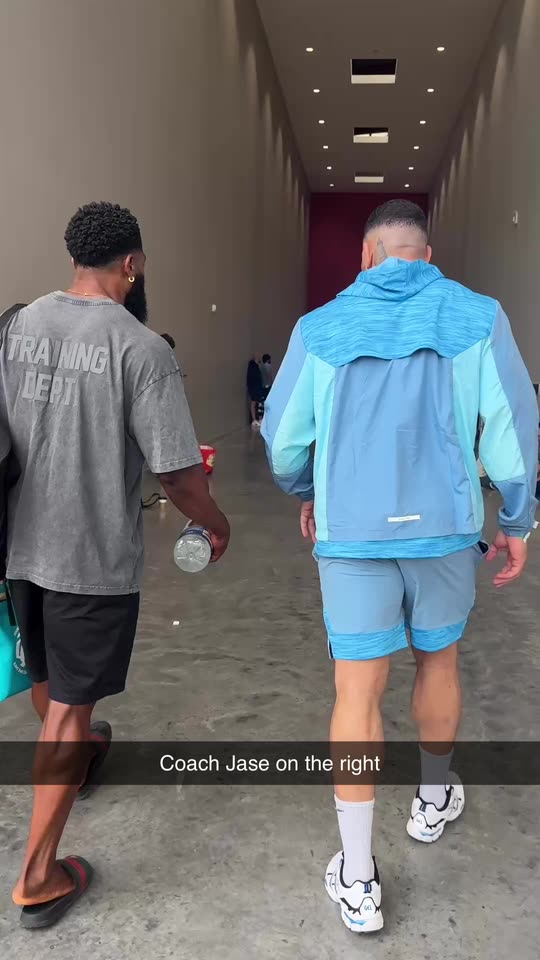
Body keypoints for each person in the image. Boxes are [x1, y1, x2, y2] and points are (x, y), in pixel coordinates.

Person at [262, 199, 538, 934]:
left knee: (356, 692)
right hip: (445, 531)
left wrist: (309, 489)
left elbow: (283, 440)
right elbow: (512, 426)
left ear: (366, 255)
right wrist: (517, 520)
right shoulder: (479, 316)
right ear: (427, 253)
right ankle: (433, 799)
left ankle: (357, 877)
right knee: (438, 663)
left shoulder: (319, 328)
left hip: (352, 536)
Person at [0, 201, 230, 928]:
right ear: (132, 263)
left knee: (51, 683)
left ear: (75, 256)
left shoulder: (17, 326)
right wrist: (216, 522)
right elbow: (177, 474)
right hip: (89, 557)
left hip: (20, 550)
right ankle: (37, 877)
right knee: (70, 712)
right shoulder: (141, 347)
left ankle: (78, 754)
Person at [246, 354, 264, 426]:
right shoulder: (254, 369)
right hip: (255, 388)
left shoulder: (253, 368)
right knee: (256, 403)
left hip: (254, 388)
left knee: (255, 403)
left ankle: (257, 419)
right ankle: (257, 419)